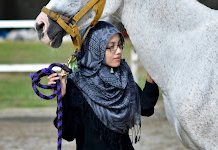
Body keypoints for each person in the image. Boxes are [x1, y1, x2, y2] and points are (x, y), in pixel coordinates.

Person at [48, 21, 159, 150]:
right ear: (95, 48)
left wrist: (151, 77)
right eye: (111, 46)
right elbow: (68, 133)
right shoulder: (77, 83)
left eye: (119, 45)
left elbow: (145, 108)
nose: (118, 51)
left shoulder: (123, 77)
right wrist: (63, 97)